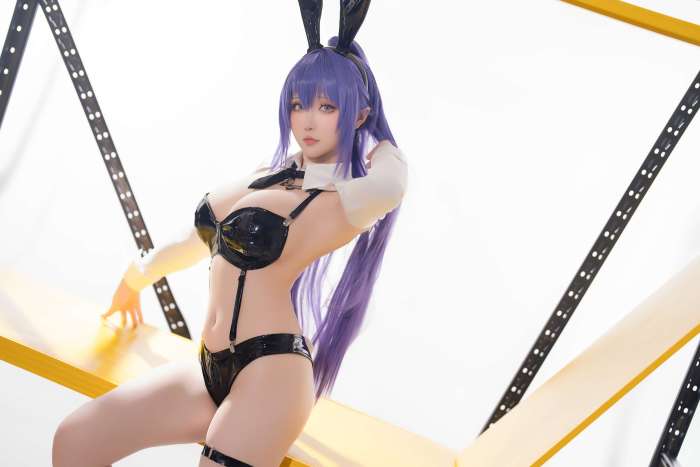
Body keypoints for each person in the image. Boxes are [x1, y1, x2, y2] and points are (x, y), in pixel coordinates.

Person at [51, 1, 408, 465]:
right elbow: (198, 240)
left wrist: (381, 140)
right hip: (209, 369)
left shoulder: (343, 200)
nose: (307, 119)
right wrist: (135, 277)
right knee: (75, 440)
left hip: (272, 375)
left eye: (327, 106)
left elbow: (391, 184)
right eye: (298, 103)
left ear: (358, 116)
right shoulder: (268, 175)